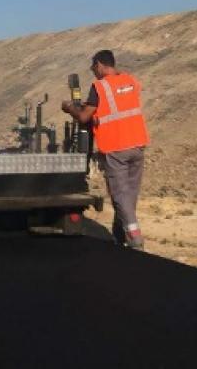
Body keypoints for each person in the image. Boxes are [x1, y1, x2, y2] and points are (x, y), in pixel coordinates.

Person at [62, 50, 150, 250]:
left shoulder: (100, 86)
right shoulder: (130, 80)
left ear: (100, 64)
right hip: (137, 144)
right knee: (130, 194)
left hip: (116, 147)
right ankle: (120, 235)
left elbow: (84, 117)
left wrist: (69, 108)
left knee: (120, 194)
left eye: (94, 68)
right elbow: (118, 106)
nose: (93, 72)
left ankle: (135, 238)